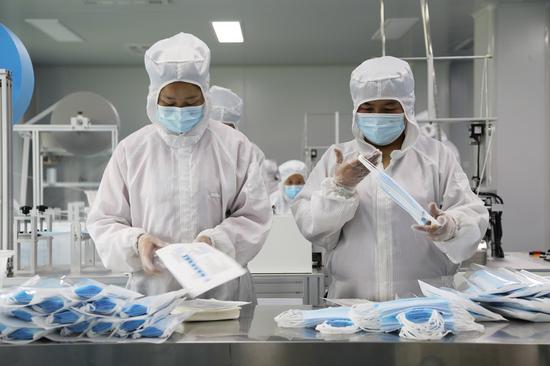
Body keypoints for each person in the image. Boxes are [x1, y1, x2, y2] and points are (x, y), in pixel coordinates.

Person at [87, 33, 272, 301]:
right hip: (152, 292)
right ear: (155, 99)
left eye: (190, 103)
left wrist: (214, 243)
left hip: (223, 293)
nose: (180, 110)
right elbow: (104, 220)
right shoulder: (132, 150)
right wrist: (136, 242)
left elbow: (255, 216)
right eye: (171, 103)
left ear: (205, 98)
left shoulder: (234, 146)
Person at [292, 56, 488, 301]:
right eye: (368, 108)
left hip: (425, 304)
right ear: (356, 110)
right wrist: (340, 187)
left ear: (407, 108)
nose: (377, 116)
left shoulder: (436, 156)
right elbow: (313, 227)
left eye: (389, 108)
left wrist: (450, 226)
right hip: (352, 304)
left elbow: (473, 214)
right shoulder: (337, 159)